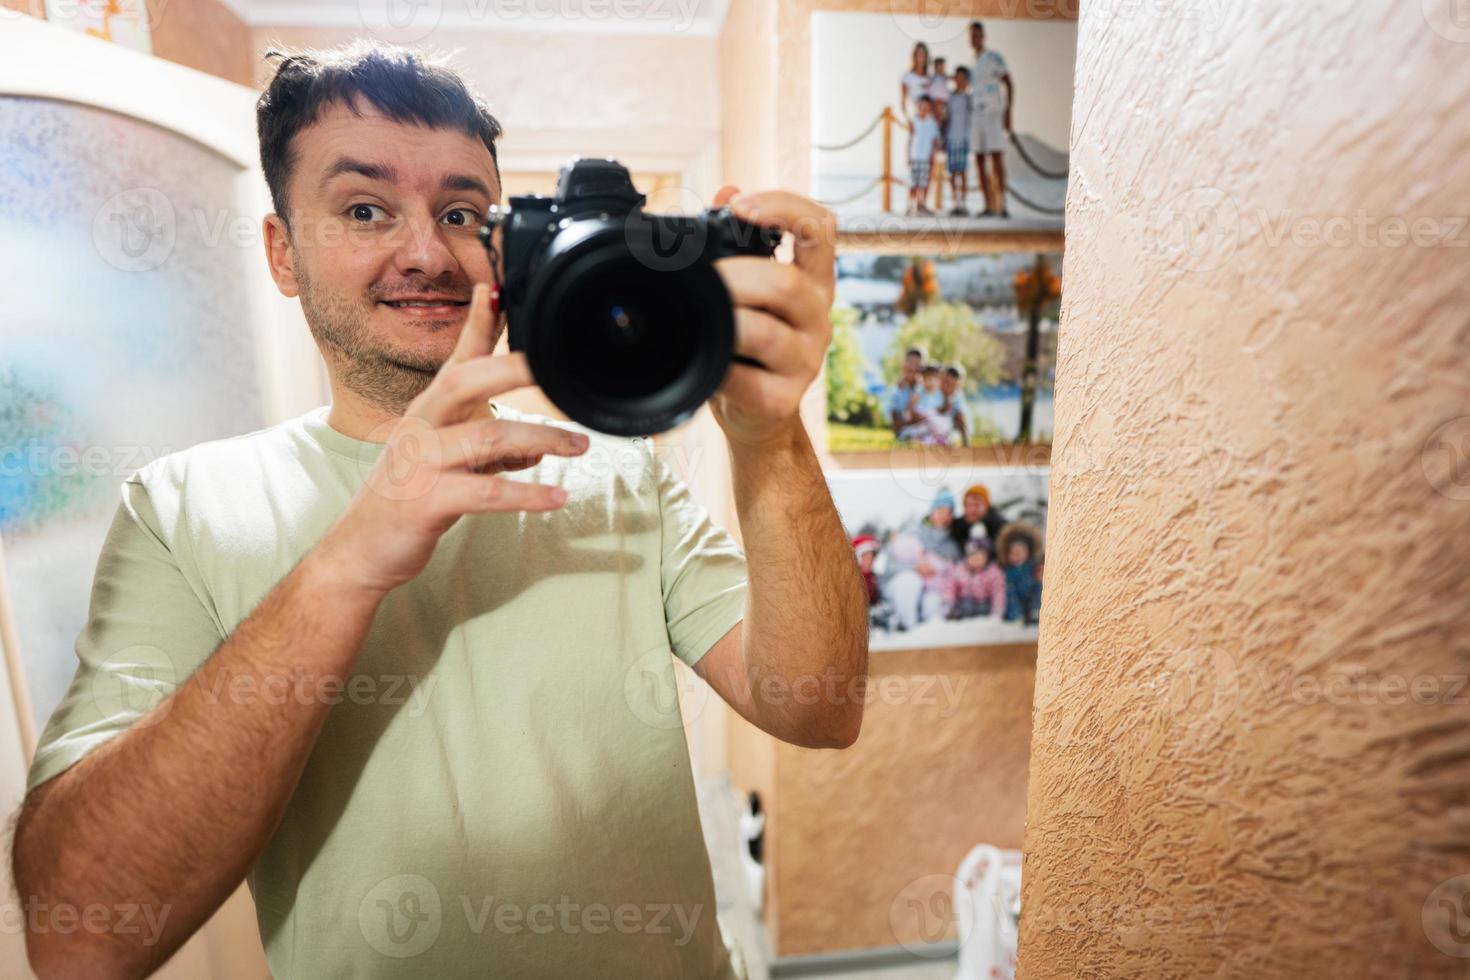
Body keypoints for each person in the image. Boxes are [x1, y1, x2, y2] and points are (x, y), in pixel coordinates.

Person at [11, 42, 869, 980]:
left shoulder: (621, 474)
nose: (425, 253)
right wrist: (352, 556)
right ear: (281, 251)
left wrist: (770, 433)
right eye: (365, 208)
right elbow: (78, 935)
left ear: (504, 247)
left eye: (461, 212)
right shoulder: (180, 509)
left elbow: (817, 708)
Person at [969, 20, 1014, 218]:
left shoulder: (994, 58)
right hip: (976, 115)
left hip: (994, 113)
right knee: (979, 159)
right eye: (971, 35)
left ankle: (1001, 204)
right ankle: (988, 205)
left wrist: (1008, 113)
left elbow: (1009, 83)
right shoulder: (972, 63)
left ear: (983, 36)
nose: (974, 38)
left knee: (996, 157)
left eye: (977, 34)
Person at [942, 536, 1006, 621]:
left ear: (986, 558)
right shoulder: (959, 570)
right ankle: (957, 617)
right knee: (966, 605)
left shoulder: (993, 572)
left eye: (980, 557)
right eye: (973, 557)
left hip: (984, 603)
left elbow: (998, 592)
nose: (976, 560)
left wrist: (998, 609)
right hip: (966, 603)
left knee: (983, 607)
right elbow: (950, 587)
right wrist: (948, 602)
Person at [999, 522, 1043, 625]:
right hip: (1016, 605)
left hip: (1031, 600)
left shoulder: (1033, 567)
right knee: (1009, 589)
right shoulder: (1007, 572)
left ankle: (1035, 612)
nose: (1017, 555)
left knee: (1039, 584)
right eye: (1013, 552)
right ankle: (1017, 615)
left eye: (1021, 551)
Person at [907, 96, 943, 217]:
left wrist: (933, 155)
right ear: (917, 107)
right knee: (913, 183)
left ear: (929, 108)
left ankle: (922, 205)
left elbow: (935, 141)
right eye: (921, 106)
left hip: (926, 158)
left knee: (924, 183)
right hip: (914, 156)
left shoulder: (932, 123)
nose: (923, 109)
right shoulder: (913, 122)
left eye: (926, 107)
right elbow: (910, 140)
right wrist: (908, 156)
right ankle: (910, 205)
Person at [945, 66, 974, 216]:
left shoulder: (969, 98)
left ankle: (963, 203)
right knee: (952, 173)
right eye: (957, 78)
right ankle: (955, 202)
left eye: (963, 78)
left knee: (962, 172)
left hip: (963, 139)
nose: (960, 81)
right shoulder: (950, 97)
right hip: (951, 138)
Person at [950, 482, 1008, 554]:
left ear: (986, 506)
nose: (972, 510)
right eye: (969, 505)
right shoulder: (956, 527)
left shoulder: (999, 526)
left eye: (977, 505)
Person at [899, 41, 932, 145]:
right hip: (916, 121)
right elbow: (903, 103)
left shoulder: (930, 78)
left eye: (923, 54)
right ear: (914, 56)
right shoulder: (907, 77)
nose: (921, 57)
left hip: (930, 122)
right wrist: (908, 121)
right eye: (918, 53)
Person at [888, 345, 925, 434]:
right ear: (904, 364)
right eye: (909, 363)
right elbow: (894, 422)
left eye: (916, 364)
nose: (912, 368)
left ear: (921, 368)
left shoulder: (926, 388)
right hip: (905, 431)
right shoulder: (897, 390)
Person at [938, 363, 970, 446]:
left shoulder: (957, 395)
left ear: (958, 385)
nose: (948, 387)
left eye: (952, 385)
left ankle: (965, 442)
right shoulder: (934, 391)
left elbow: (960, 417)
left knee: (959, 416)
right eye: (946, 382)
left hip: (949, 425)